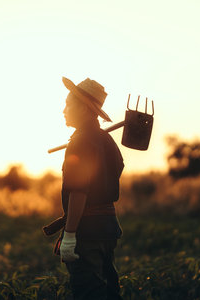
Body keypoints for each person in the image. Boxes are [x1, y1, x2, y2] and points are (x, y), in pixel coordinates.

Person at [58, 76, 124, 299]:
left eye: (69, 103)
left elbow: (78, 191)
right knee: (108, 290)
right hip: (108, 228)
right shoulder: (106, 140)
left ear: (85, 109)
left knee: (89, 293)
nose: (64, 109)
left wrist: (69, 235)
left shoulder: (79, 142)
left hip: (87, 232)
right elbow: (118, 169)